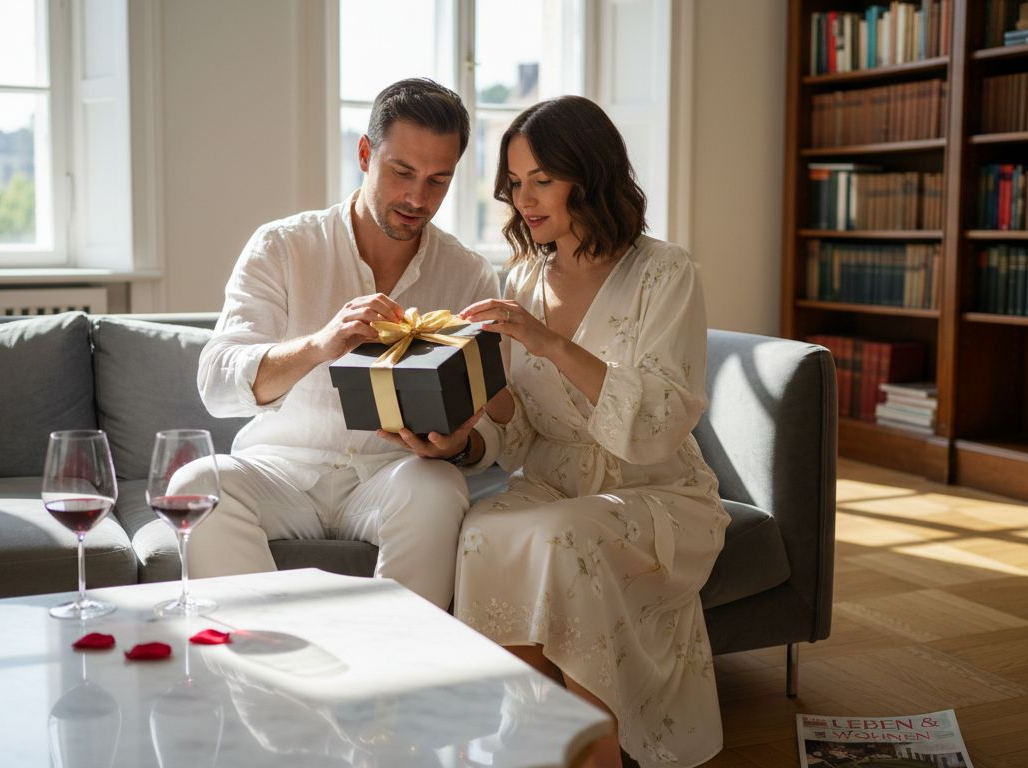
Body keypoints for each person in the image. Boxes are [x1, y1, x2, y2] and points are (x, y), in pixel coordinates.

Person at [454, 95, 730, 768]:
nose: (524, 198)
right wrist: (476, 407)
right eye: (515, 183)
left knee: (561, 535)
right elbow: (517, 437)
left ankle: (598, 752)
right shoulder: (520, 278)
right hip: (553, 484)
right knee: (480, 530)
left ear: (590, 172)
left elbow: (660, 422)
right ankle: (528, 744)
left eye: (541, 178)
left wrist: (549, 343)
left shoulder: (665, 272)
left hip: (656, 491)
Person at [181, 78, 502, 610]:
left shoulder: (468, 274)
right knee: (196, 481)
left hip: (393, 475)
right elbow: (216, 382)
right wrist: (321, 344)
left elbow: (493, 423)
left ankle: (395, 680)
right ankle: (266, 667)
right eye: (402, 172)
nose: (417, 198)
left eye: (438, 181)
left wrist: (460, 445)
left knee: (440, 487)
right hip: (281, 468)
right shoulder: (282, 246)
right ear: (363, 153)